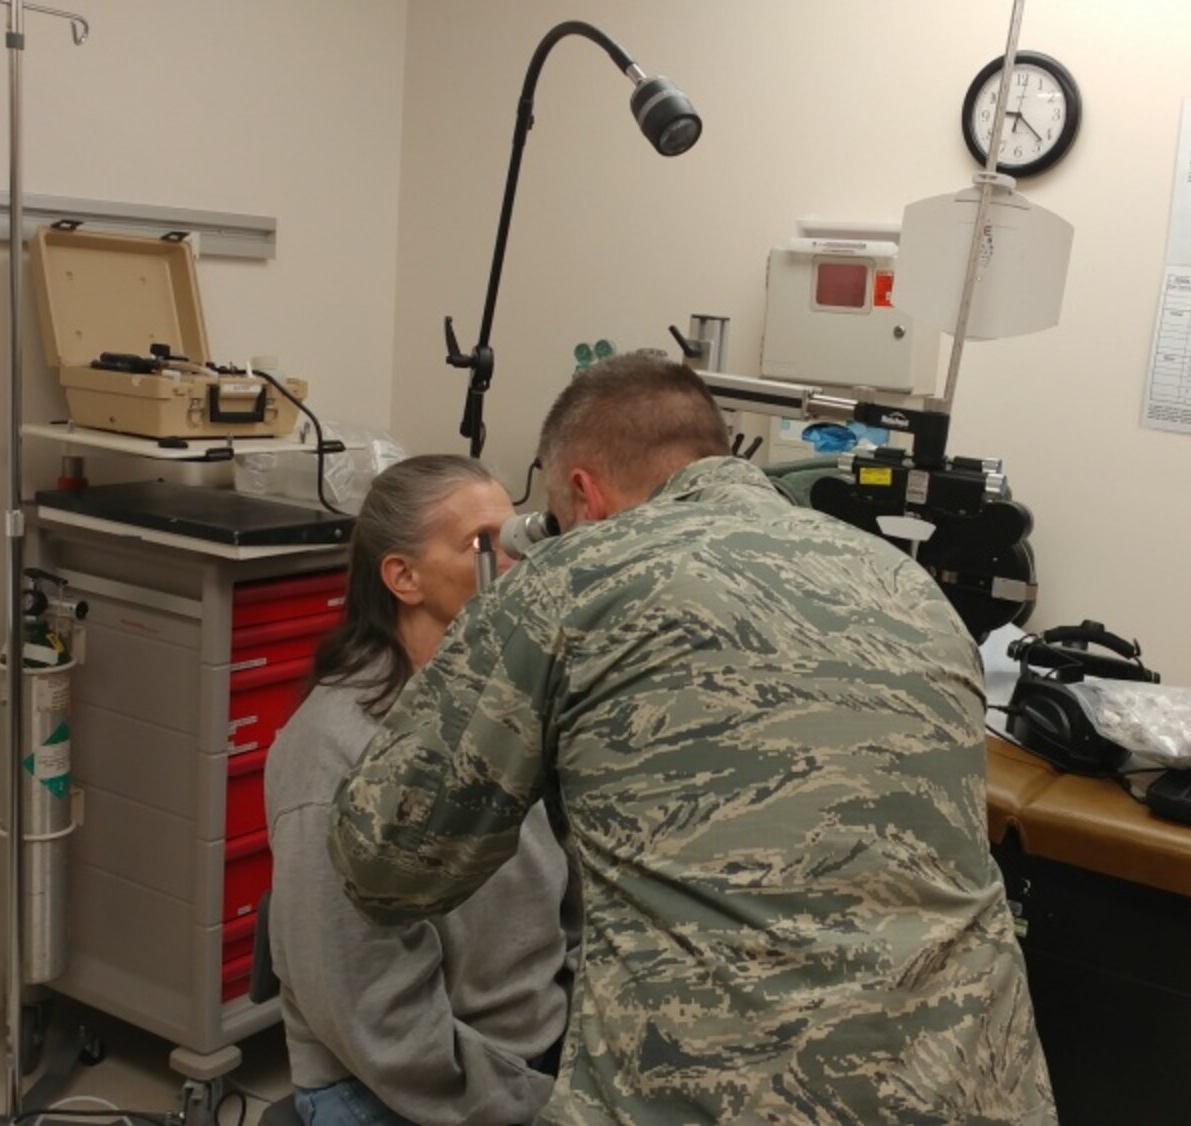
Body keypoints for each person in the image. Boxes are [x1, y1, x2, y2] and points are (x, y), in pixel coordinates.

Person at [329, 356, 1055, 1123]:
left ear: (582, 491)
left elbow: (386, 862)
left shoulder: (575, 577)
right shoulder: (910, 587)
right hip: (969, 1087)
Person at [265, 454, 572, 1126]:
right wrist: (517, 1099)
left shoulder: (507, 709)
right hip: (413, 1083)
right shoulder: (333, 746)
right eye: (481, 546)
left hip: (531, 1052)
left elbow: (564, 900)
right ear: (404, 577)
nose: (513, 564)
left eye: (516, 538)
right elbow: (370, 1007)